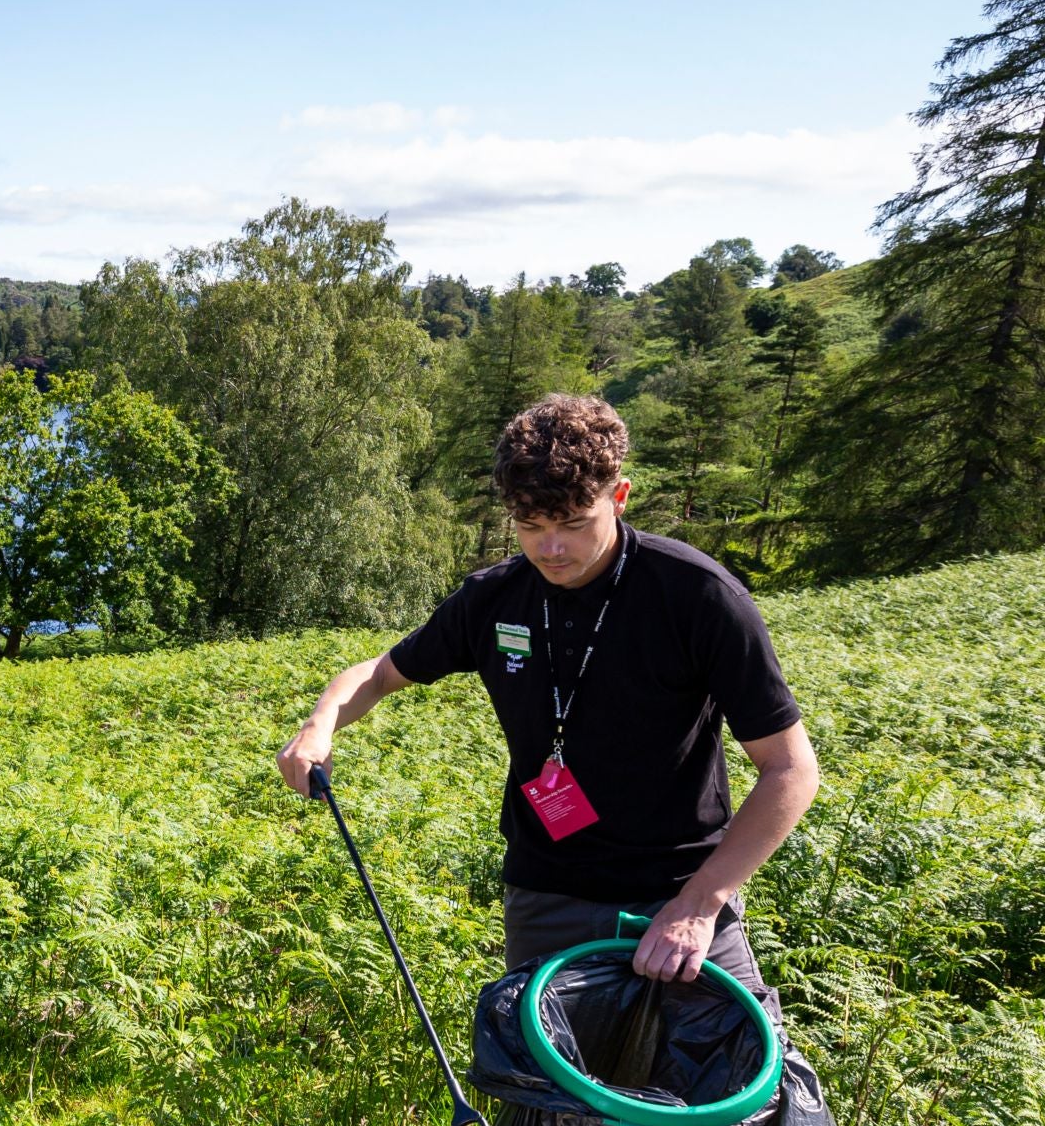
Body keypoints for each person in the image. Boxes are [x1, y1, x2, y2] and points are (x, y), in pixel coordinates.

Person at [276, 393, 818, 985]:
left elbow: (791, 770)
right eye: (530, 527)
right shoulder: (493, 598)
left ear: (619, 496)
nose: (551, 549)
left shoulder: (698, 596)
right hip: (545, 892)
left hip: (679, 894)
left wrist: (701, 902)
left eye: (573, 524)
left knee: (738, 1073)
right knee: (542, 1074)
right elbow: (379, 674)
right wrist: (318, 725)